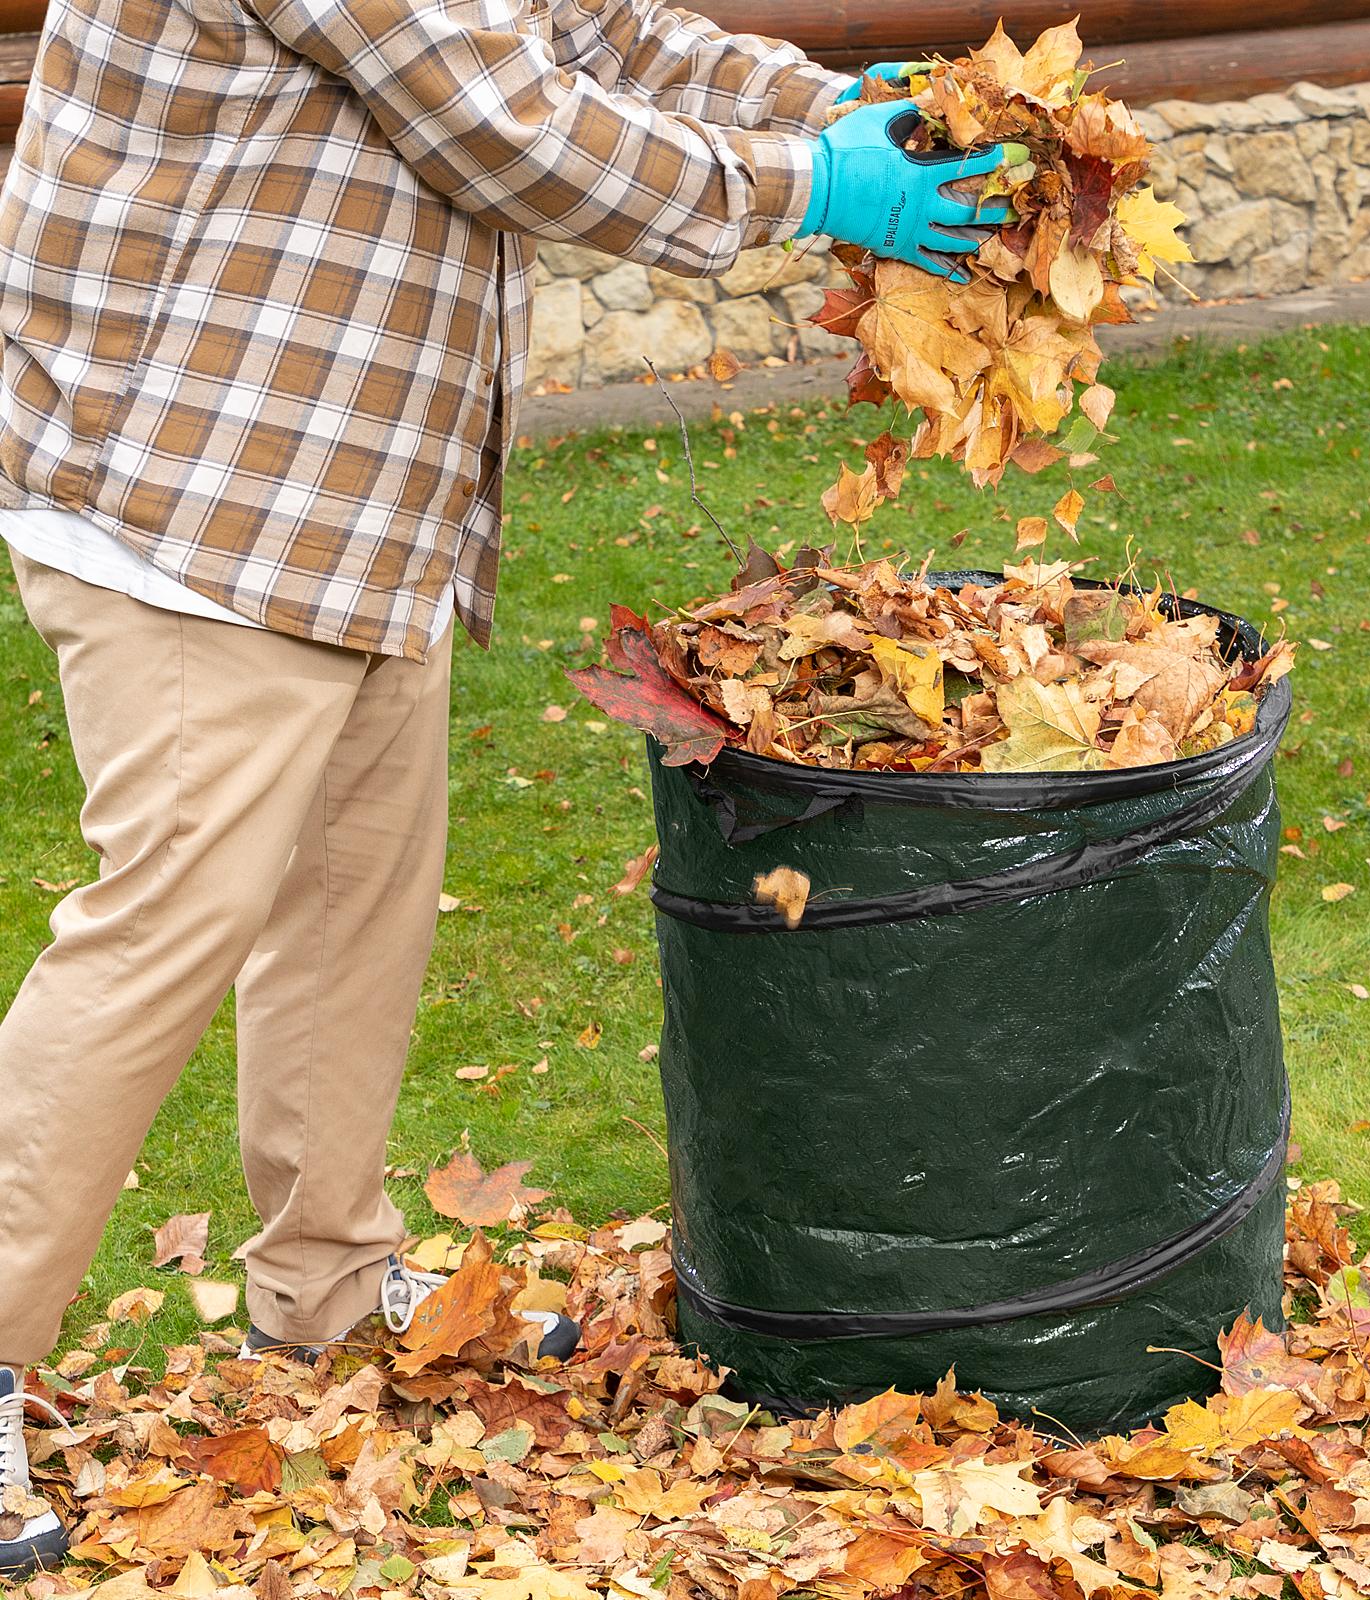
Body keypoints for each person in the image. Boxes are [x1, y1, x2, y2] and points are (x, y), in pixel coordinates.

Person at [0, 0, 1011, 1573]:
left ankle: (326, 1288)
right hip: (193, 495)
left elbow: (589, 32)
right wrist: (812, 185)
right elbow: (510, 124)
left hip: (342, 495)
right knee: (160, 939)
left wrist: (839, 108)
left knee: (354, 910)